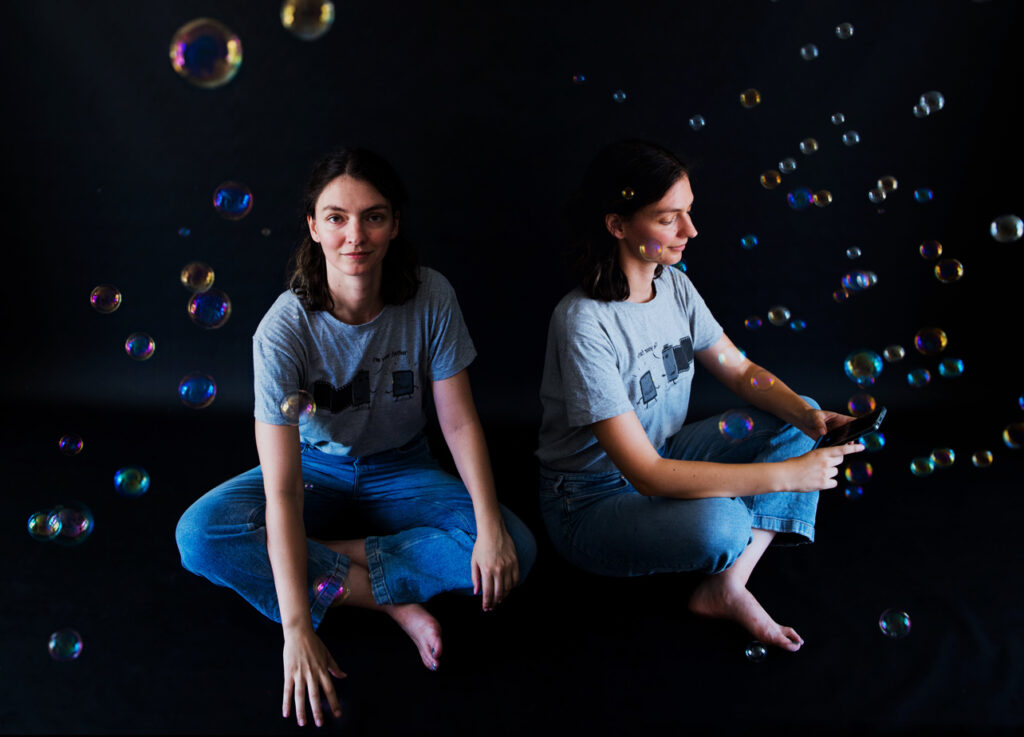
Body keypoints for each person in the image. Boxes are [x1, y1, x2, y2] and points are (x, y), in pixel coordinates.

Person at [175, 146, 536, 728]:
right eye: (337, 217)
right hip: (316, 468)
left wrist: (490, 528)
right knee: (198, 536)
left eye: (373, 215)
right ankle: (392, 603)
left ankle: (318, 563)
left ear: (394, 224)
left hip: (403, 466)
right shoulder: (283, 329)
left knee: (514, 544)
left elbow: (460, 421)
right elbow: (284, 491)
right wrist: (296, 628)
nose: (355, 235)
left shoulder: (431, 296)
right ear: (314, 227)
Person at [536, 139, 864, 653]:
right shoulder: (583, 322)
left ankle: (729, 586)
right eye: (669, 219)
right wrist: (787, 475)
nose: (691, 231)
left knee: (795, 419)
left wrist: (809, 415)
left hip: (663, 453)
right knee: (724, 526)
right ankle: (728, 556)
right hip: (590, 503)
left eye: (688, 213)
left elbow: (740, 371)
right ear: (617, 224)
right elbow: (643, 474)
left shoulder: (674, 286)